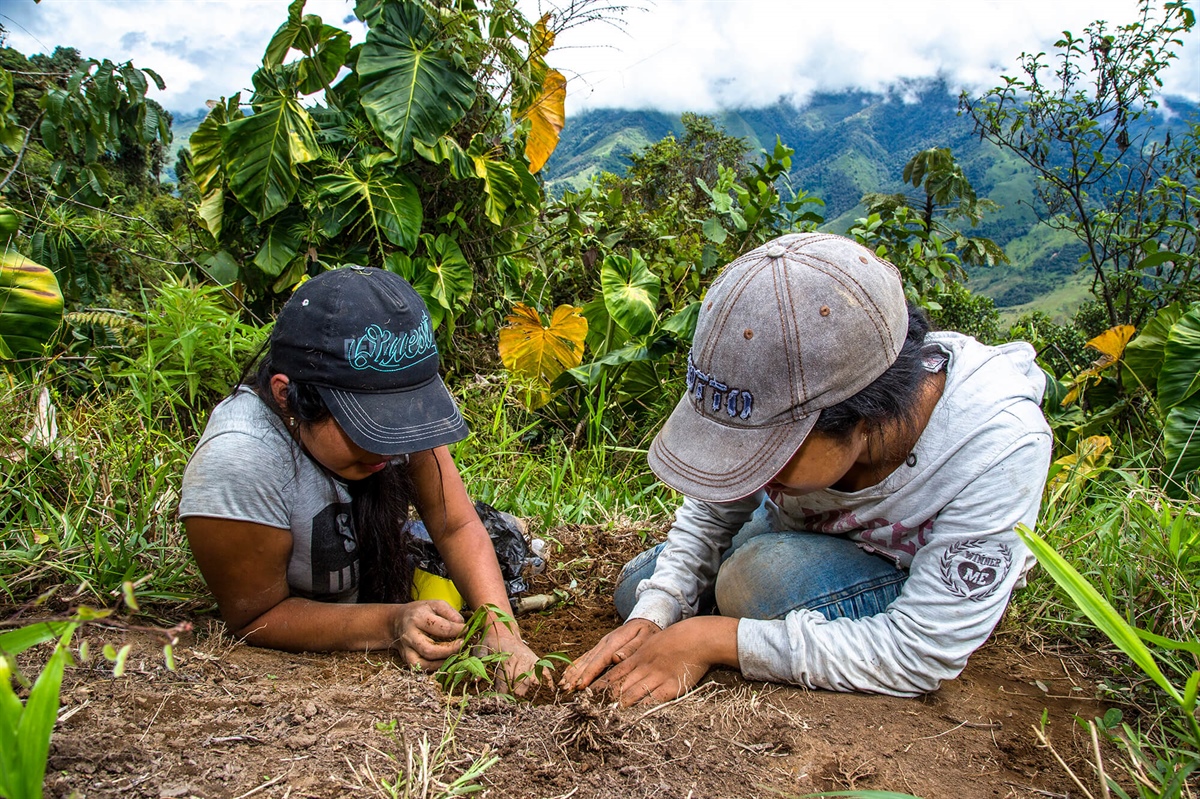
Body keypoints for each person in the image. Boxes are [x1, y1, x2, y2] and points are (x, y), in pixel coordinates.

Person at [561, 233, 1052, 704]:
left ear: (868, 417)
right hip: (804, 538)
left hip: (907, 570)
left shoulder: (998, 443)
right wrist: (659, 609)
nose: (753, 477)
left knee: (755, 584)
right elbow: (715, 505)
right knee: (641, 591)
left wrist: (714, 641)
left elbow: (920, 654)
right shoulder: (807, 382)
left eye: (770, 454)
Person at [179, 265, 540, 685]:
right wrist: (391, 623)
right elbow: (257, 616)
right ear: (287, 397)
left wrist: (500, 630)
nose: (393, 448)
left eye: (401, 417)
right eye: (370, 425)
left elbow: (455, 522)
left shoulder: (396, 416)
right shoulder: (240, 460)